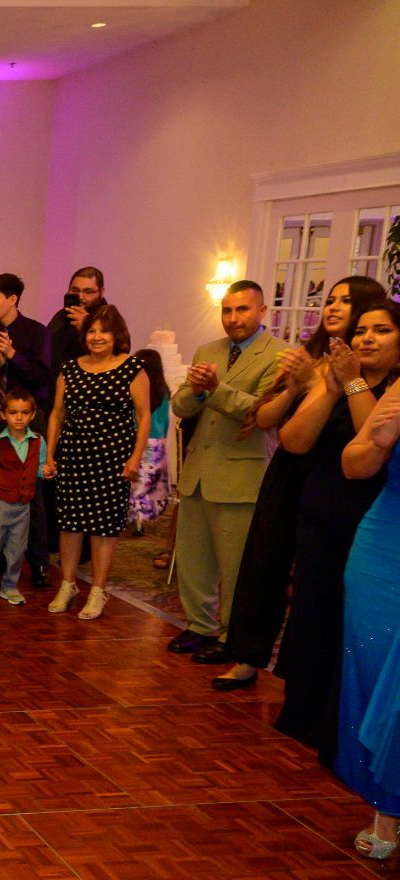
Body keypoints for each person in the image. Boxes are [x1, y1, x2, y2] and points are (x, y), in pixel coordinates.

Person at [213, 275, 385, 691]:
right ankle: (247, 656)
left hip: (335, 479)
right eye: (329, 300)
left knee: (316, 580)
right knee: (264, 564)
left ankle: (307, 672)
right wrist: (296, 388)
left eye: (345, 302)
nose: (333, 308)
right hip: (291, 471)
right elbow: (268, 420)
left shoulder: (372, 369)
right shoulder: (309, 356)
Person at [272, 298, 396, 764]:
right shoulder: (337, 379)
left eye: (380, 331)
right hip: (321, 510)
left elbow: (373, 447)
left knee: (355, 624)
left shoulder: (394, 388)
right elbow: (294, 440)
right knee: (312, 613)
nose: (366, 339)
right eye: (362, 330)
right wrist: (329, 387)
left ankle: (341, 725)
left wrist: (355, 382)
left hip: (371, 519)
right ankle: (304, 713)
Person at [167, 281, 287, 657]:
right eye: (227, 310)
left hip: (242, 474)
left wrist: (216, 389)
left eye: (242, 310)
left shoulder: (280, 356)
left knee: (235, 566)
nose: (233, 319)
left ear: (263, 311)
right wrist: (199, 391)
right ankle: (199, 625)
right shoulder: (209, 350)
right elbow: (182, 406)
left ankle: (229, 635)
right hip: (200, 471)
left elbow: (261, 412)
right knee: (194, 559)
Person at [43, 306, 150, 620]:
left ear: (117, 335)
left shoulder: (132, 367)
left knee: (103, 528)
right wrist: (50, 453)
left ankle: (98, 590)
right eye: (91, 331)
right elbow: (57, 414)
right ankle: (67, 584)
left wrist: (135, 458)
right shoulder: (71, 368)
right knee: (69, 524)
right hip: (74, 455)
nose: (97, 337)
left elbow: (143, 417)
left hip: (112, 459)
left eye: (104, 331)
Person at [333, 372, 400, 859]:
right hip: (386, 546)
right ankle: (386, 810)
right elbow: (353, 464)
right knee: (377, 671)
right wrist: (377, 443)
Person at [0, 273, 53, 588]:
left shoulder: (36, 332)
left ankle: (38, 563)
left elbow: (42, 379)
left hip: (27, 421)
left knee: (30, 493)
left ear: (13, 299)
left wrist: (12, 355)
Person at [0, 389, 44, 606]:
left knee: (16, 549)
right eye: (13, 413)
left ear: (32, 415)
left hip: (22, 506)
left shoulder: (38, 442)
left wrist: (48, 471)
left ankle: (10, 586)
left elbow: (39, 469)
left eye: (24, 413)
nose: (19, 417)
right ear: (4, 414)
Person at [128, 349, 172, 532]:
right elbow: (165, 420)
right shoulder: (163, 391)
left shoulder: (133, 388)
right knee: (149, 483)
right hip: (156, 441)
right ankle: (143, 517)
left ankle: (134, 517)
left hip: (136, 437)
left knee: (135, 481)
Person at [46, 266, 108, 375]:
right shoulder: (61, 315)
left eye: (88, 292)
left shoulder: (109, 318)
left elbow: (117, 355)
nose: (80, 296)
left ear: (101, 292)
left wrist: (88, 327)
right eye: (75, 290)